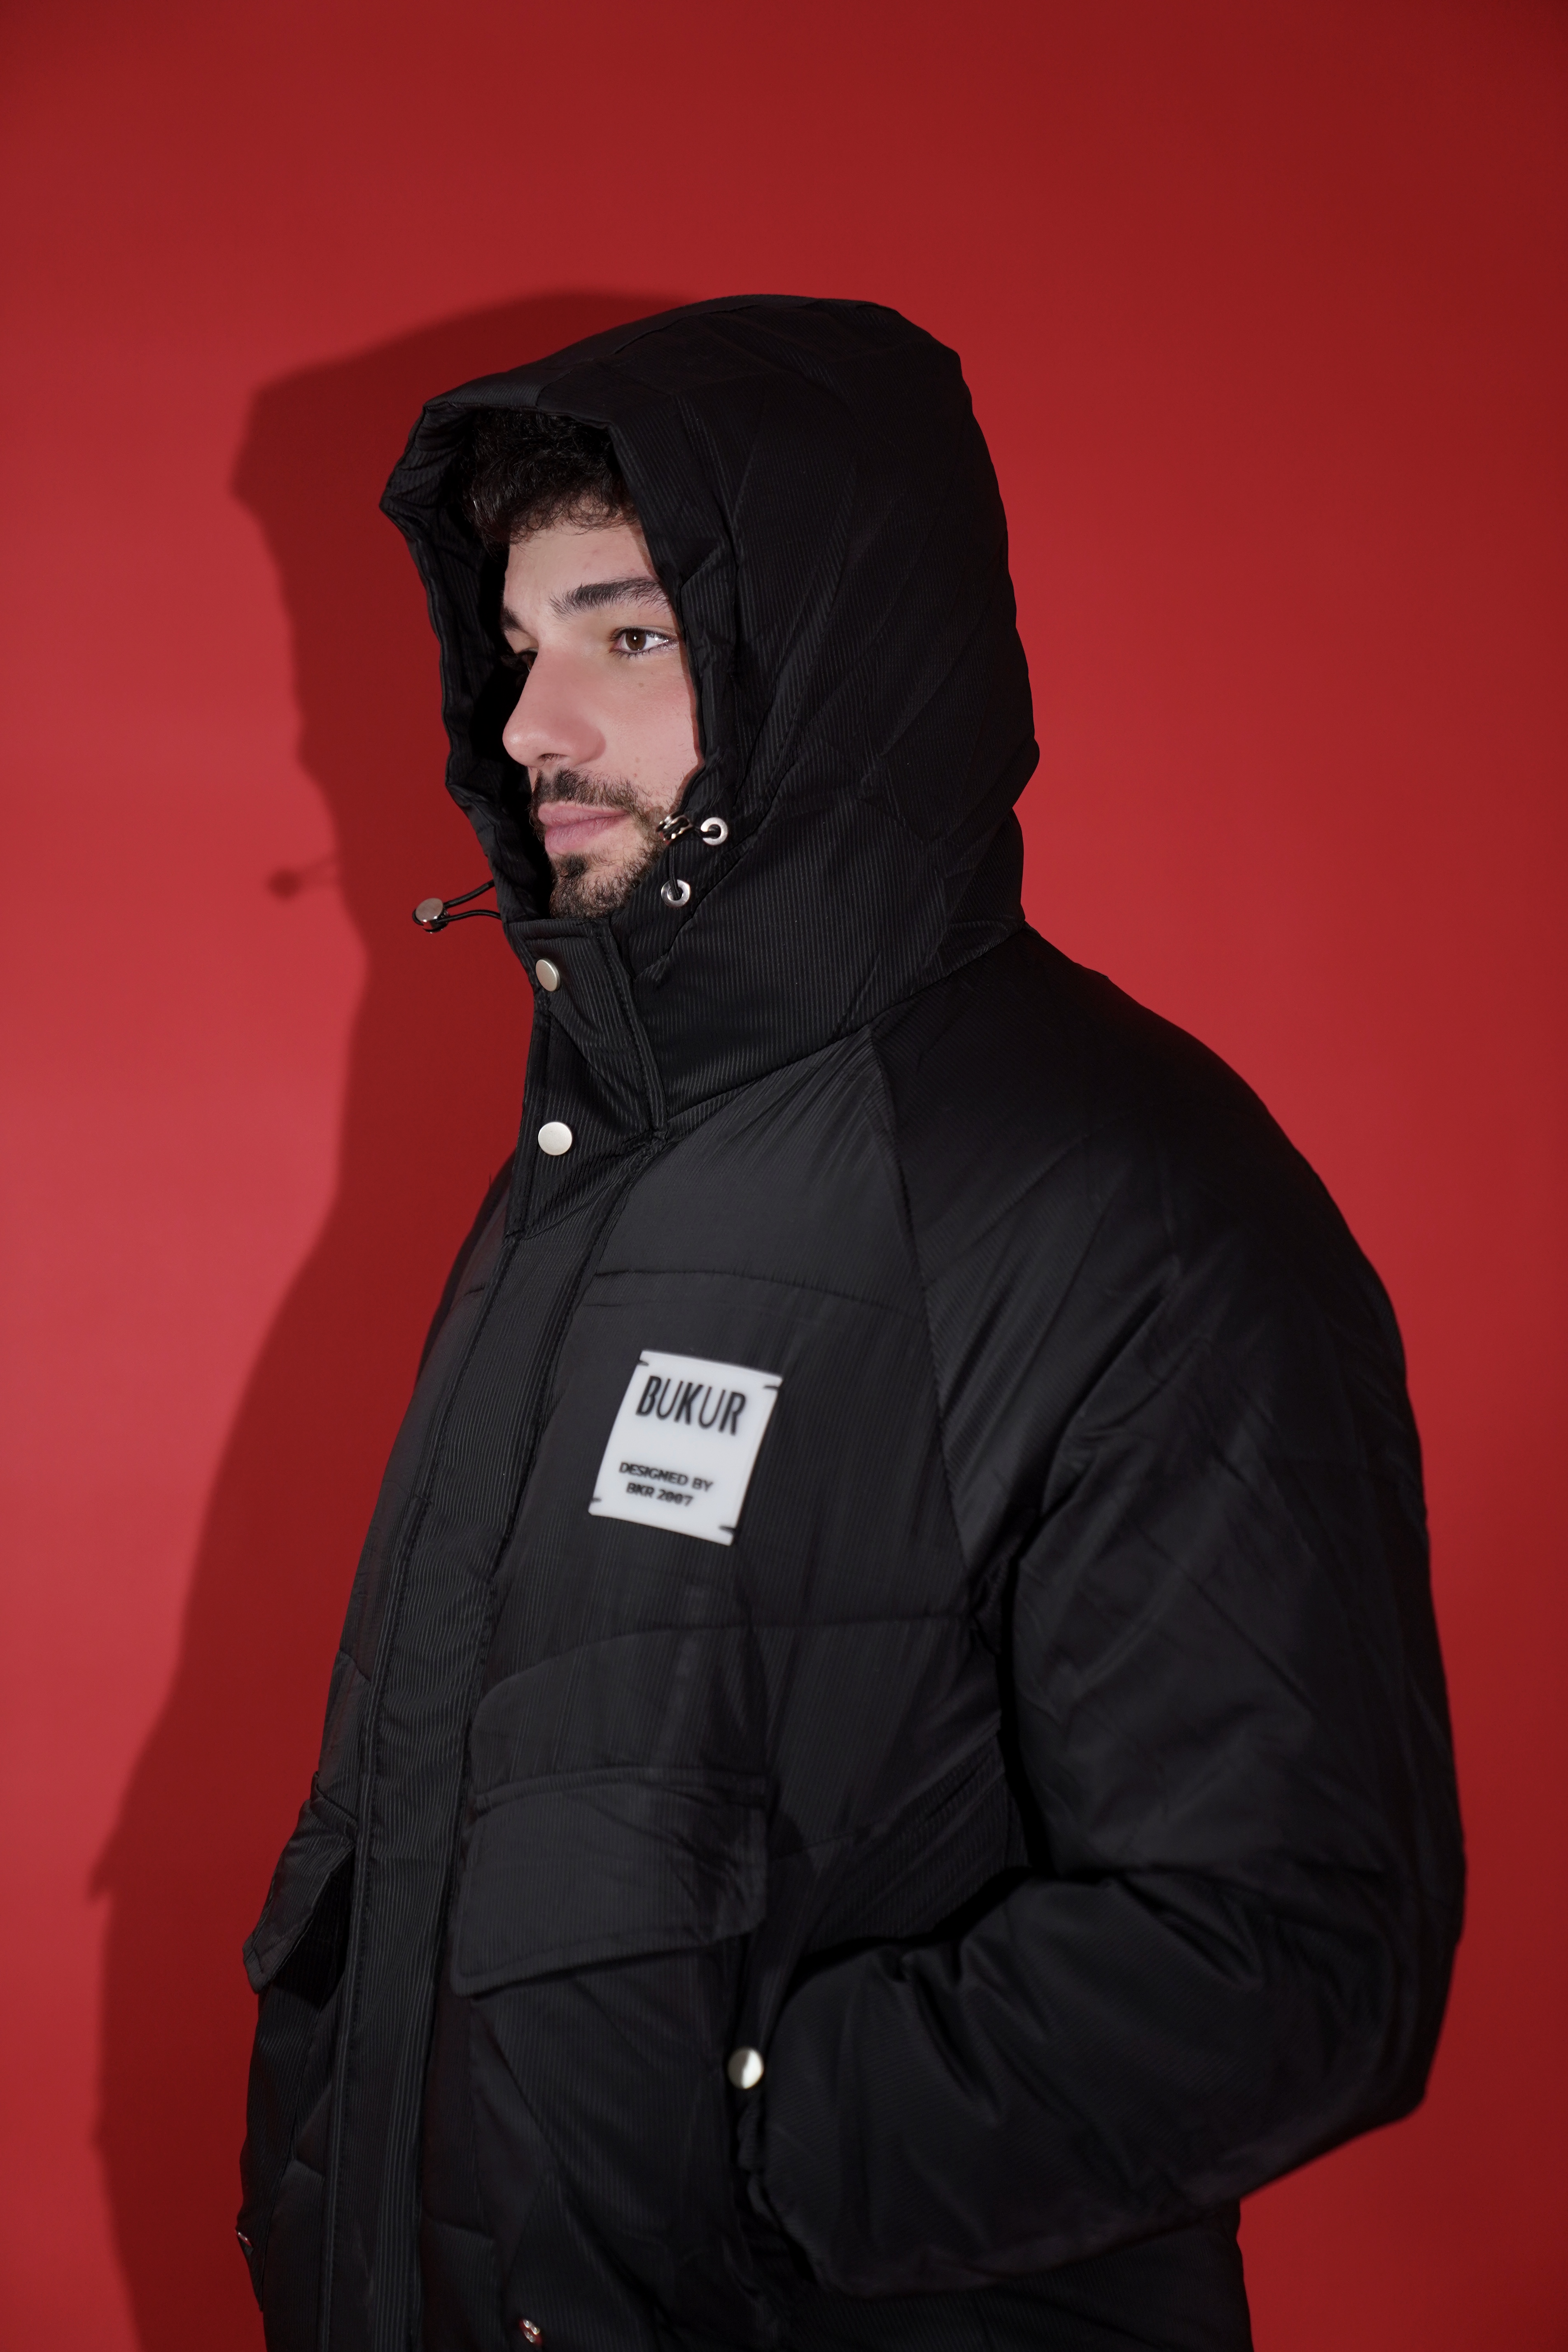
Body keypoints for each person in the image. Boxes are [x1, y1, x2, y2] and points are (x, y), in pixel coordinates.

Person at [237, 297, 1463, 2352]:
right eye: (520, 644)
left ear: (834, 662)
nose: (533, 723)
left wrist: (724, 2159)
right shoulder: (597, 1161)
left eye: (630, 635)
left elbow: (1286, 1951)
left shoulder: (1128, 1197)